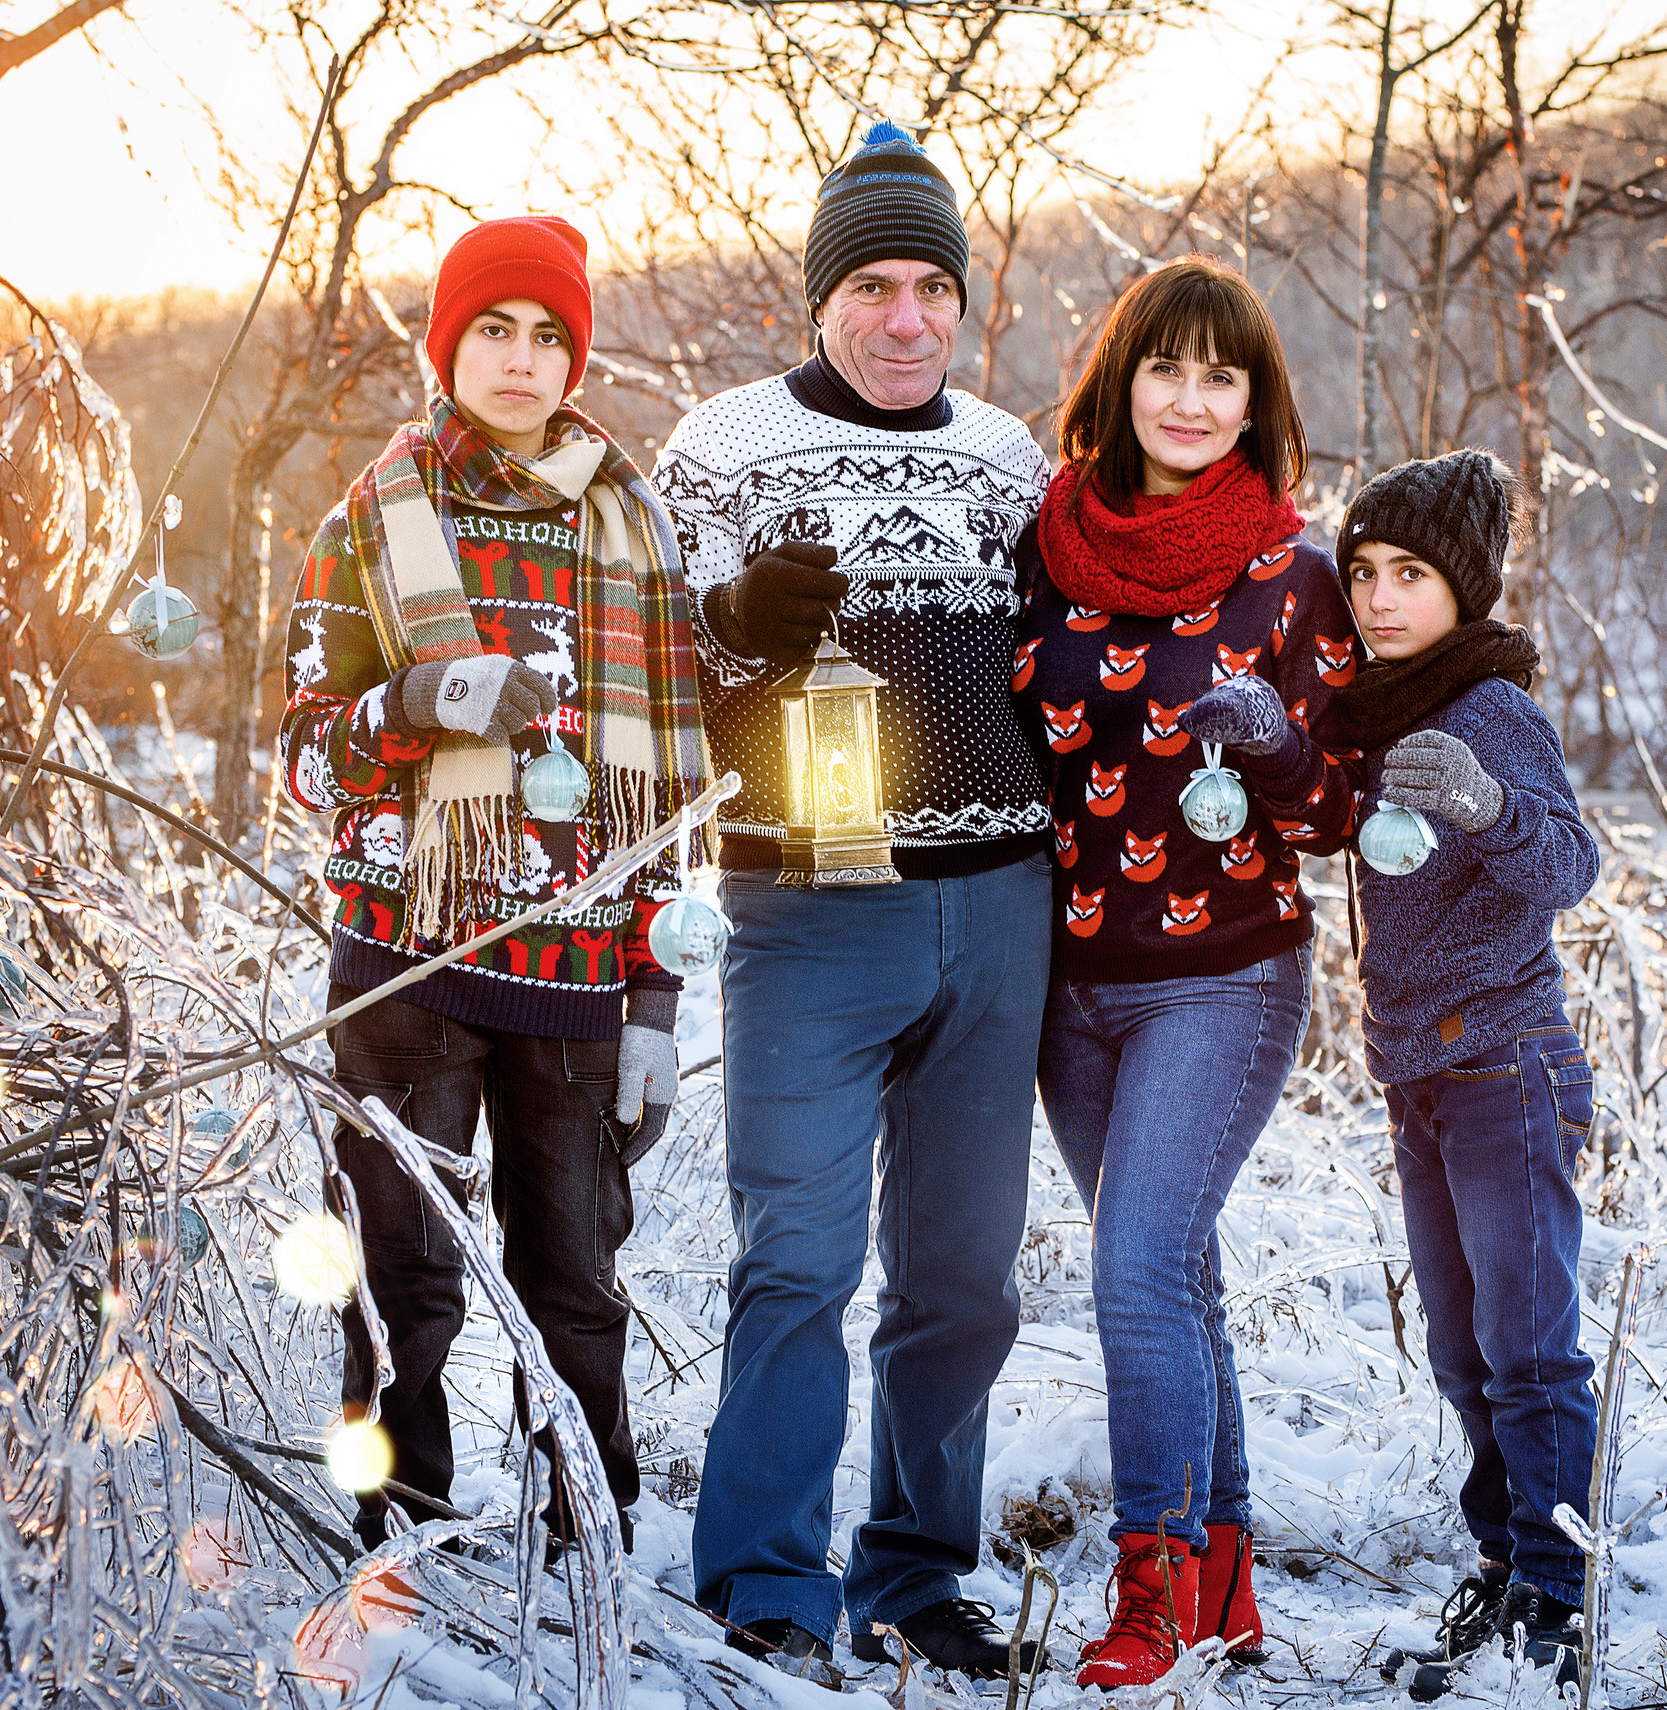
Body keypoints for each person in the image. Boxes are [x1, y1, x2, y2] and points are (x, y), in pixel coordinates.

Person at [653, 122, 1052, 1686]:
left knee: (961, 1275)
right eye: (874, 286)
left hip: (999, 907)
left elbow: (1066, 673)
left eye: (931, 288)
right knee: (798, 1259)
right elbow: (644, 681)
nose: (905, 319)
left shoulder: (1010, 457)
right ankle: (765, 1576)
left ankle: (914, 1572)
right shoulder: (720, 448)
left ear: (962, 303)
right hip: (808, 910)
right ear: (820, 300)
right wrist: (730, 630)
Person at [280, 214, 708, 1554]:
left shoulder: (631, 527)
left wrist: (656, 991)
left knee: (573, 1279)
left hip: (581, 973)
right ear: (446, 344)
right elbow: (303, 757)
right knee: (402, 1273)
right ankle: (400, 1535)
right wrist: (415, 700)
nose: (521, 362)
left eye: (547, 336)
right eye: (493, 331)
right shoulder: (372, 517)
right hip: (407, 963)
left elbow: (662, 797)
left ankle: (587, 1539)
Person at [1014, 255, 1358, 1688]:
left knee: (1137, 1265)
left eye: (1225, 376)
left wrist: (1272, 739)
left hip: (1223, 975)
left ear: (1256, 401)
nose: (1194, 398)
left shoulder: (1292, 571)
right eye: (1169, 368)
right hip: (1064, 982)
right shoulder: (1042, 544)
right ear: (1121, 379)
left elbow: (1340, 807)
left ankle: (1146, 1588)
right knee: (1180, 1279)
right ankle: (1227, 1576)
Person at [1316, 452, 1601, 1701]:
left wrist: (1490, 809)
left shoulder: (1489, 711)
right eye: (1365, 571)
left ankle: (1558, 1585)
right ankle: (1502, 1555)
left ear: (1463, 588)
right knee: (1460, 1347)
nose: (1379, 597)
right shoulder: (1381, 707)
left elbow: (1568, 871)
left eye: (1410, 575)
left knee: (1529, 1345)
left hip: (1504, 1065)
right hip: (1416, 1077)